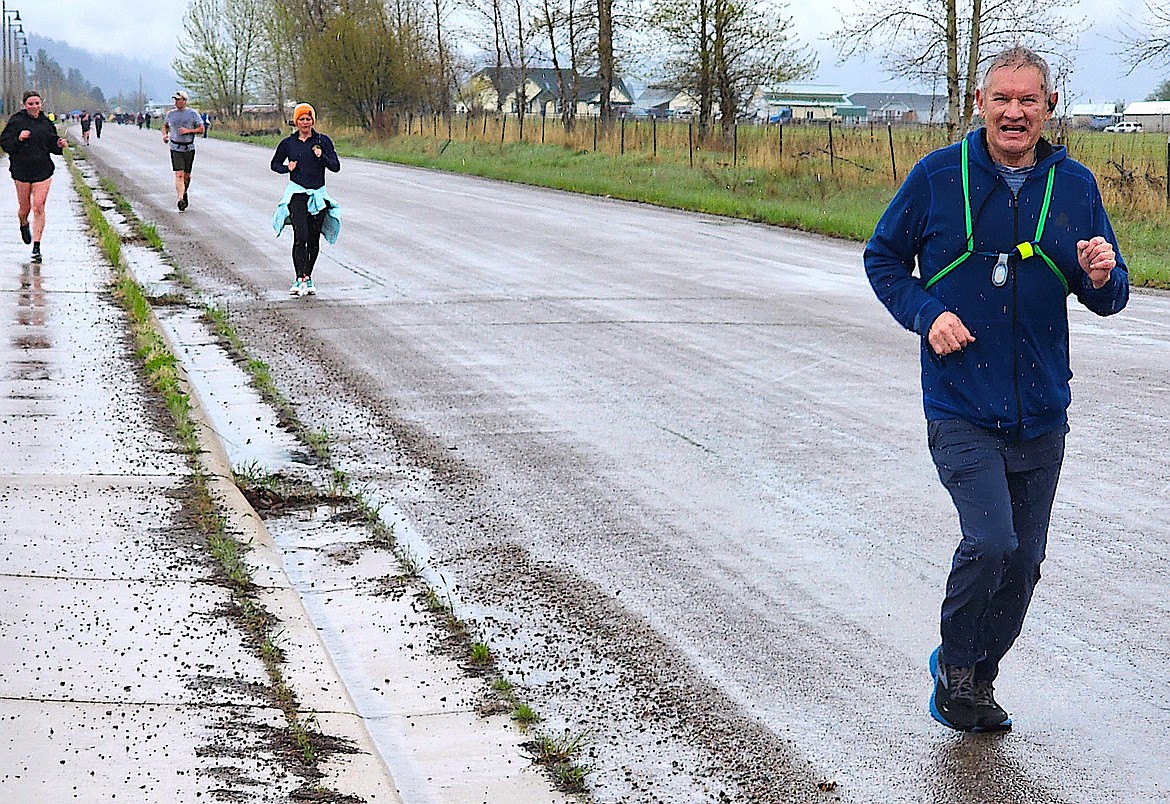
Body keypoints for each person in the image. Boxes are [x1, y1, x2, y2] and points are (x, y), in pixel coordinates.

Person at [863, 46, 1129, 734]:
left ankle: (980, 677)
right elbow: (883, 257)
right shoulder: (935, 177)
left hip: (1042, 410)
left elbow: (1108, 293)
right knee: (990, 541)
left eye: (1028, 101)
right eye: (1002, 99)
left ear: (1048, 109)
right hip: (961, 405)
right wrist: (927, 316)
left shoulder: (1075, 188)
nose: (1014, 112)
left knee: (1027, 562)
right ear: (979, 103)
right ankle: (954, 662)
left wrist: (1104, 276)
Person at [270, 103, 341, 296]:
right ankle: (298, 277)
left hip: (318, 194)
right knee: (300, 236)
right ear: (296, 121)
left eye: (308, 119)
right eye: (301, 119)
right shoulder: (288, 143)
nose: (305, 122)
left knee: (313, 239)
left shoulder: (322, 141)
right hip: (297, 194)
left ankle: (308, 277)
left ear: (313, 121)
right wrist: (287, 168)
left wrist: (322, 157)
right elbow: (274, 164)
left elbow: (336, 166)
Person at [0, 90, 68, 263]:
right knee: (25, 209)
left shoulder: (46, 123)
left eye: (37, 103)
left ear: (41, 104)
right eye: (31, 104)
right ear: (25, 105)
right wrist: (19, 139)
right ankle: (23, 223)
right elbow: (5, 143)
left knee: (38, 206)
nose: (34, 106)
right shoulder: (16, 121)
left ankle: (37, 246)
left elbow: (52, 144)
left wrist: (59, 145)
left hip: (43, 170)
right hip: (21, 170)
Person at [162, 91, 204, 212]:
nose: (176, 102)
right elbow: (165, 126)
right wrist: (165, 135)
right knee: (179, 174)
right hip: (175, 147)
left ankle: (184, 192)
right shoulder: (170, 114)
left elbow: (202, 129)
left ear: (184, 101)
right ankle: (180, 199)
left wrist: (188, 131)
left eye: (178, 99)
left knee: (187, 176)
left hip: (189, 148)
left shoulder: (192, 114)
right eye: (175, 100)